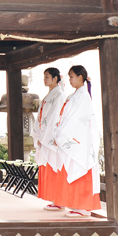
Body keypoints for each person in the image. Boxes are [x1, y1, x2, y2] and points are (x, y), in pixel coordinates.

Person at [40, 65, 101, 217]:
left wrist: (61, 133)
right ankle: (75, 205)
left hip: (78, 141)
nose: (70, 80)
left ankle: (83, 207)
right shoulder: (75, 95)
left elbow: (77, 121)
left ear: (81, 77)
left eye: (72, 76)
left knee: (79, 170)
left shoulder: (83, 96)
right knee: (69, 171)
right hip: (68, 137)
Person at [30, 67, 66, 211]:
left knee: (54, 167)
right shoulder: (50, 95)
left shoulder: (59, 95)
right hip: (44, 137)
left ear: (55, 78)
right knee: (48, 168)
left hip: (50, 138)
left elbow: (54, 119)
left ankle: (59, 200)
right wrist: (39, 135)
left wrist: (44, 137)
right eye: (44, 77)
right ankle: (54, 199)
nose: (44, 79)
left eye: (47, 76)